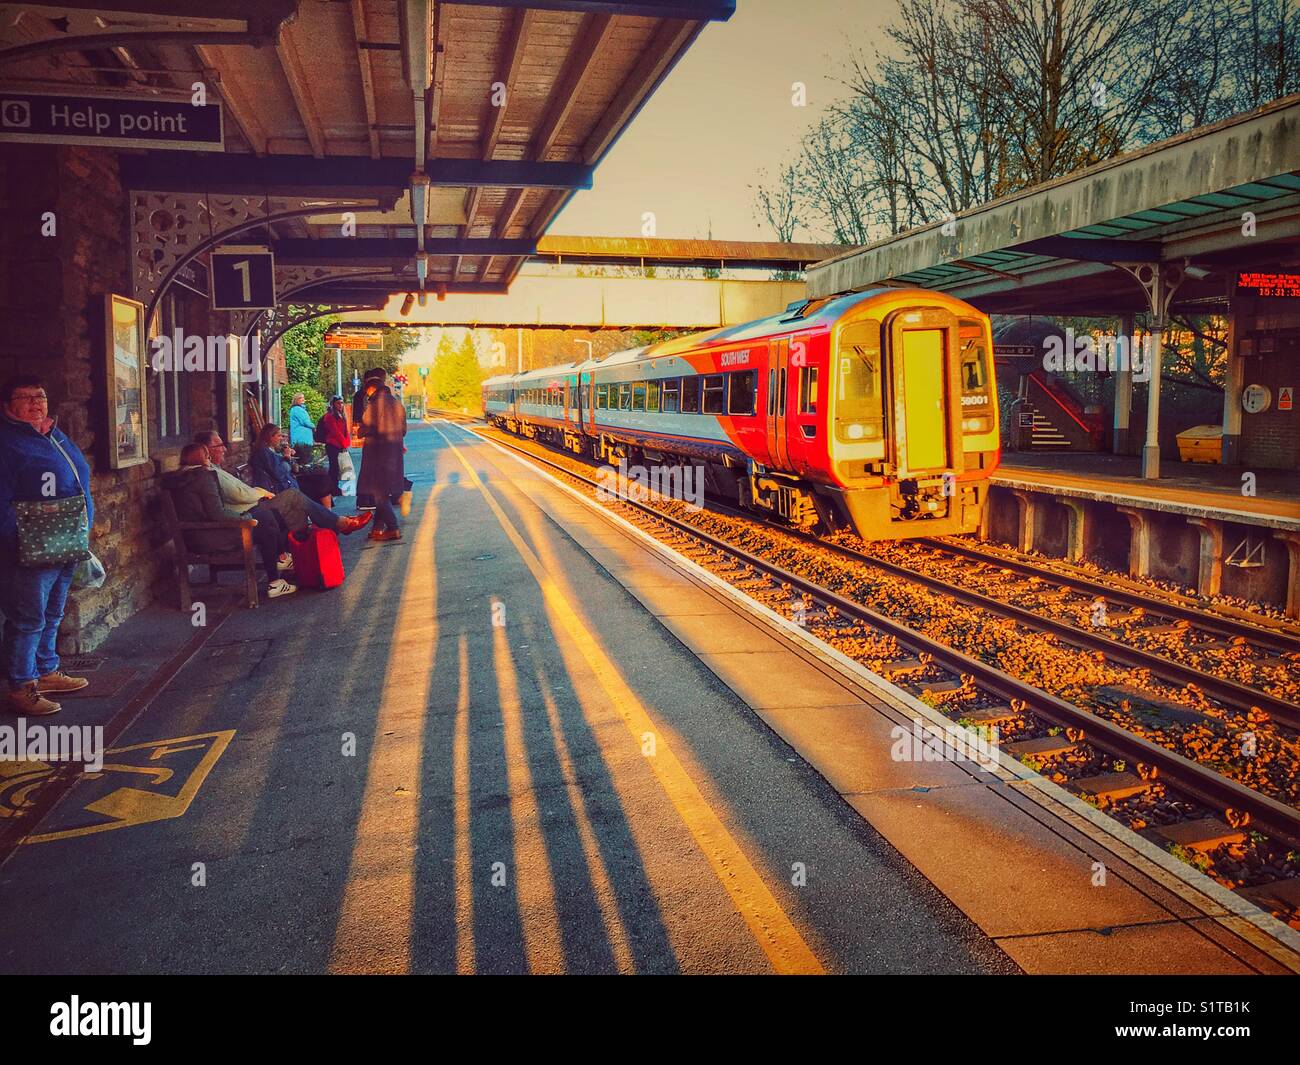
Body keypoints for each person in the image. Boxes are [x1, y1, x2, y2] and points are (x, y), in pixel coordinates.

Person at [0, 375, 93, 715]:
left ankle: (46, 670)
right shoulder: (7, 442)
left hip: (66, 539)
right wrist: (16, 542)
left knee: (53, 611)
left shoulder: (53, 434)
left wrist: (85, 529)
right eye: (25, 398)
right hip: (31, 545)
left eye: (40, 396)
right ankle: (21, 685)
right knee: (28, 617)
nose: (36, 403)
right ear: (7, 406)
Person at [164, 444, 296, 599]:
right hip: (211, 538)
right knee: (265, 521)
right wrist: (246, 519)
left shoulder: (179, 478)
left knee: (265, 515)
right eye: (208, 456)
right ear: (204, 459)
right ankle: (276, 576)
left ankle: (279, 562)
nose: (210, 459)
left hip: (194, 537)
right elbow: (218, 514)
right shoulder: (203, 477)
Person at [196, 429, 370, 538]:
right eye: (219, 445)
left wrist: (288, 461)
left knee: (307, 491)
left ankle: (305, 546)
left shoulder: (214, 470)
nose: (224, 449)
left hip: (254, 503)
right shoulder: (209, 473)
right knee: (295, 496)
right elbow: (240, 494)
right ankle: (338, 524)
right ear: (206, 450)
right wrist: (262, 493)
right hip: (251, 509)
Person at [355, 372, 407, 543]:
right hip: (394, 457)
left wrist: (359, 430)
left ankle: (393, 528)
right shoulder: (398, 404)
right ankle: (377, 528)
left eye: (367, 392)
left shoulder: (375, 405)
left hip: (377, 457)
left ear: (371, 389)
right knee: (382, 494)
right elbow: (404, 430)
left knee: (379, 495)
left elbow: (363, 429)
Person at [318, 396, 351, 496]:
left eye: (341, 403)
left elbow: (345, 431)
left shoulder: (341, 415)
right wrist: (344, 443)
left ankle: (335, 488)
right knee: (334, 468)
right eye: (338, 403)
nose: (340, 405)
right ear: (333, 404)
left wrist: (346, 442)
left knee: (338, 468)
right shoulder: (329, 416)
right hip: (332, 444)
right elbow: (335, 432)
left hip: (340, 444)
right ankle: (332, 489)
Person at [288, 393, 315, 462]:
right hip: (302, 440)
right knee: (304, 461)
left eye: (303, 397)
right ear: (296, 400)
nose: (303, 399)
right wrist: (314, 427)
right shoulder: (297, 409)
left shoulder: (297, 409)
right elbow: (305, 422)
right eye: (300, 398)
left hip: (300, 440)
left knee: (301, 460)